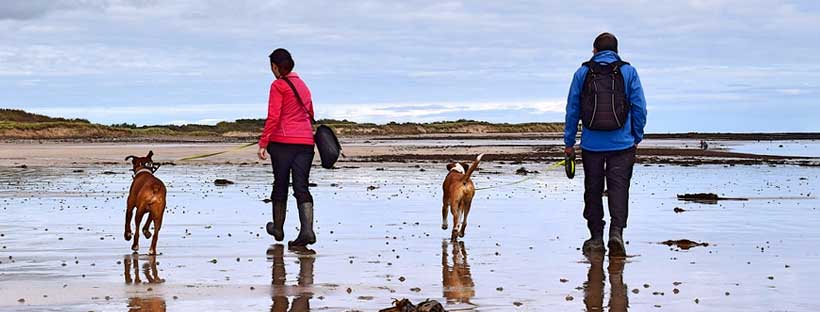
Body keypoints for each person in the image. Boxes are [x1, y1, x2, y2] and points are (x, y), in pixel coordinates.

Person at [564, 33, 647, 256]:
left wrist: (569, 143)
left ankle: (596, 237)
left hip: (592, 146)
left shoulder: (582, 73)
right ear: (616, 51)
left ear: (594, 50)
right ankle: (616, 233)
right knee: (619, 189)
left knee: (593, 189)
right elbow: (639, 107)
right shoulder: (628, 72)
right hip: (622, 145)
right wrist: (636, 136)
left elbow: (572, 109)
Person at [258, 48, 317, 247]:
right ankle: (307, 231)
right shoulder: (303, 85)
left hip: (283, 144)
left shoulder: (278, 85)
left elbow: (274, 117)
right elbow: (310, 112)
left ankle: (278, 228)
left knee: (280, 184)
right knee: (302, 186)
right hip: (306, 142)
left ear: (275, 66)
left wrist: (263, 142)